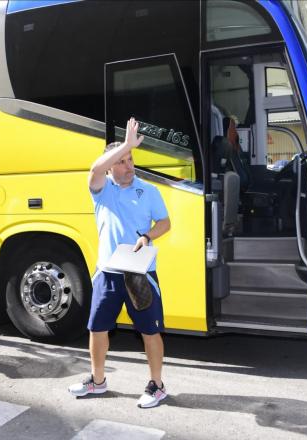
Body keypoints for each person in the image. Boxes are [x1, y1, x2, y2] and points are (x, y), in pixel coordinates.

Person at [68, 117, 171, 408]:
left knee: (150, 331)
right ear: (111, 166)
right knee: (97, 329)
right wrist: (125, 144)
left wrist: (148, 236)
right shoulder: (102, 189)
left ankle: (157, 385)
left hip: (140, 273)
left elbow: (165, 222)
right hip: (108, 273)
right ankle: (98, 382)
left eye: (131, 159)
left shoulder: (148, 190)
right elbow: (94, 169)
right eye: (123, 161)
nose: (129, 165)